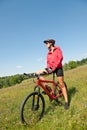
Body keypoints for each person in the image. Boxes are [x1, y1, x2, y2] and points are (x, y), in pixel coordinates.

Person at [36, 39, 69, 110]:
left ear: (51, 43)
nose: (46, 44)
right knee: (38, 74)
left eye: (47, 43)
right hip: (51, 68)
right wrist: (48, 69)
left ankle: (66, 102)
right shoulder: (48, 54)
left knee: (61, 84)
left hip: (58, 68)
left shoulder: (58, 49)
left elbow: (60, 58)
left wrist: (54, 68)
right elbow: (48, 63)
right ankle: (48, 88)